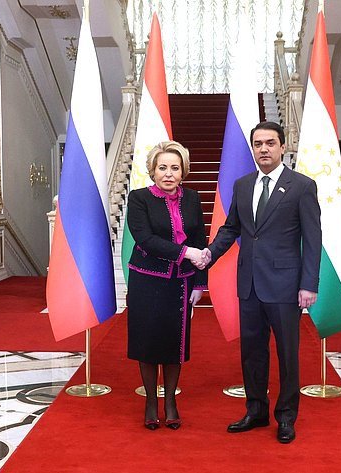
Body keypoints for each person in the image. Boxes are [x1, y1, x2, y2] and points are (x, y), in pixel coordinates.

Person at [206, 121, 321, 444]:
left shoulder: (301, 186)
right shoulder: (243, 185)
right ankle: (256, 411)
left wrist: (309, 283)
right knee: (252, 352)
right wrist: (209, 254)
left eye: (270, 143)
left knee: (287, 354)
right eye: (258, 144)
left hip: (285, 285)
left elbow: (313, 239)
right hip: (250, 285)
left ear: (282, 147)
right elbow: (232, 228)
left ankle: (286, 417)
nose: (264, 149)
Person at [126, 140, 208, 431]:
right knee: (148, 342)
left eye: (175, 168)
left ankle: (170, 401)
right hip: (147, 279)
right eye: (163, 168)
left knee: (175, 343)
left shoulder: (193, 198)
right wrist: (186, 253)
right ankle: (151, 402)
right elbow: (145, 239)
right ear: (152, 170)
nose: (169, 174)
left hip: (181, 282)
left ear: (183, 171)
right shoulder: (139, 198)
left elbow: (199, 239)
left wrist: (200, 283)